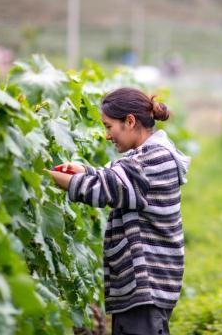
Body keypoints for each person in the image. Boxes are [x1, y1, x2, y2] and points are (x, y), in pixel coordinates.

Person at [47, 87, 190, 335]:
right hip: (142, 286)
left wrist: (48, 175)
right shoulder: (148, 155)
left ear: (130, 121)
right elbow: (115, 177)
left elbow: (108, 188)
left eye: (109, 126)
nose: (106, 135)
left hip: (146, 283)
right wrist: (84, 170)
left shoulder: (153, 159)